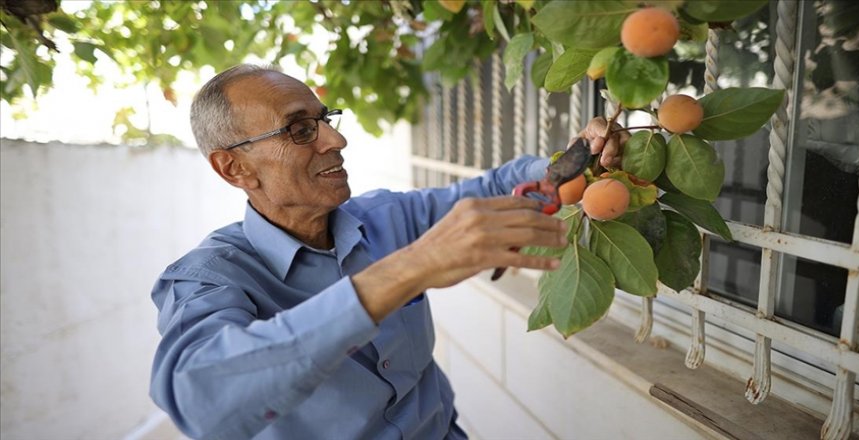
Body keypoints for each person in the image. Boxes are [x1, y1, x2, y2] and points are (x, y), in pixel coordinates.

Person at [149, 64, 626, 439]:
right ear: (234, 168)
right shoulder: (209, 278)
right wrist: (410, 268)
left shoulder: (385, 217)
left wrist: (573, 160)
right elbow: (199, 400)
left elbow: (499, 187)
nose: (336, 140)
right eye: (299, 130)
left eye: (324, 120)